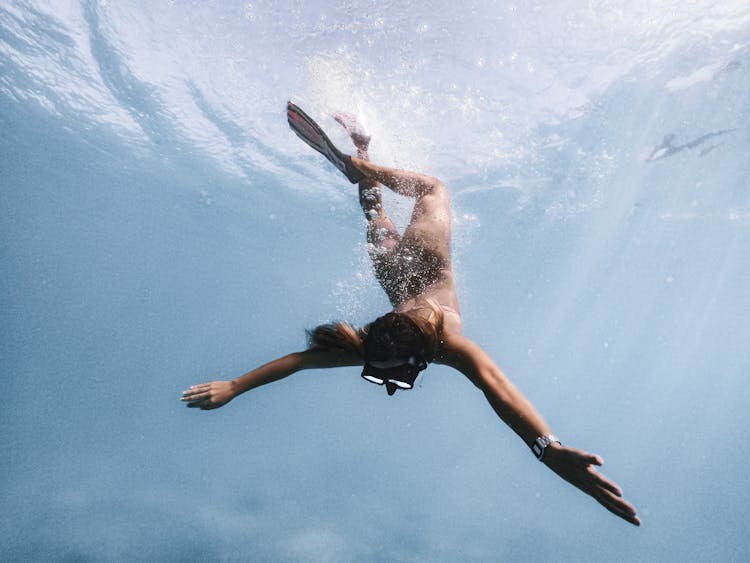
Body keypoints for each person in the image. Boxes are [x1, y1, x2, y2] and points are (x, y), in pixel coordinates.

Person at [181, 102, 640, 526]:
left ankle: (364, 159)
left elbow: (498, 390)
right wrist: (234, 387)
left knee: (397, 204)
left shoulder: (443, 343)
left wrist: (550, 451)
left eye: (385, 379)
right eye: (392, 380)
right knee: (375, 215)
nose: (390, 387)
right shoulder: (411, 342)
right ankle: (362, 156)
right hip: (400, 275)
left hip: (405, 268)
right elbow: (301, 361)